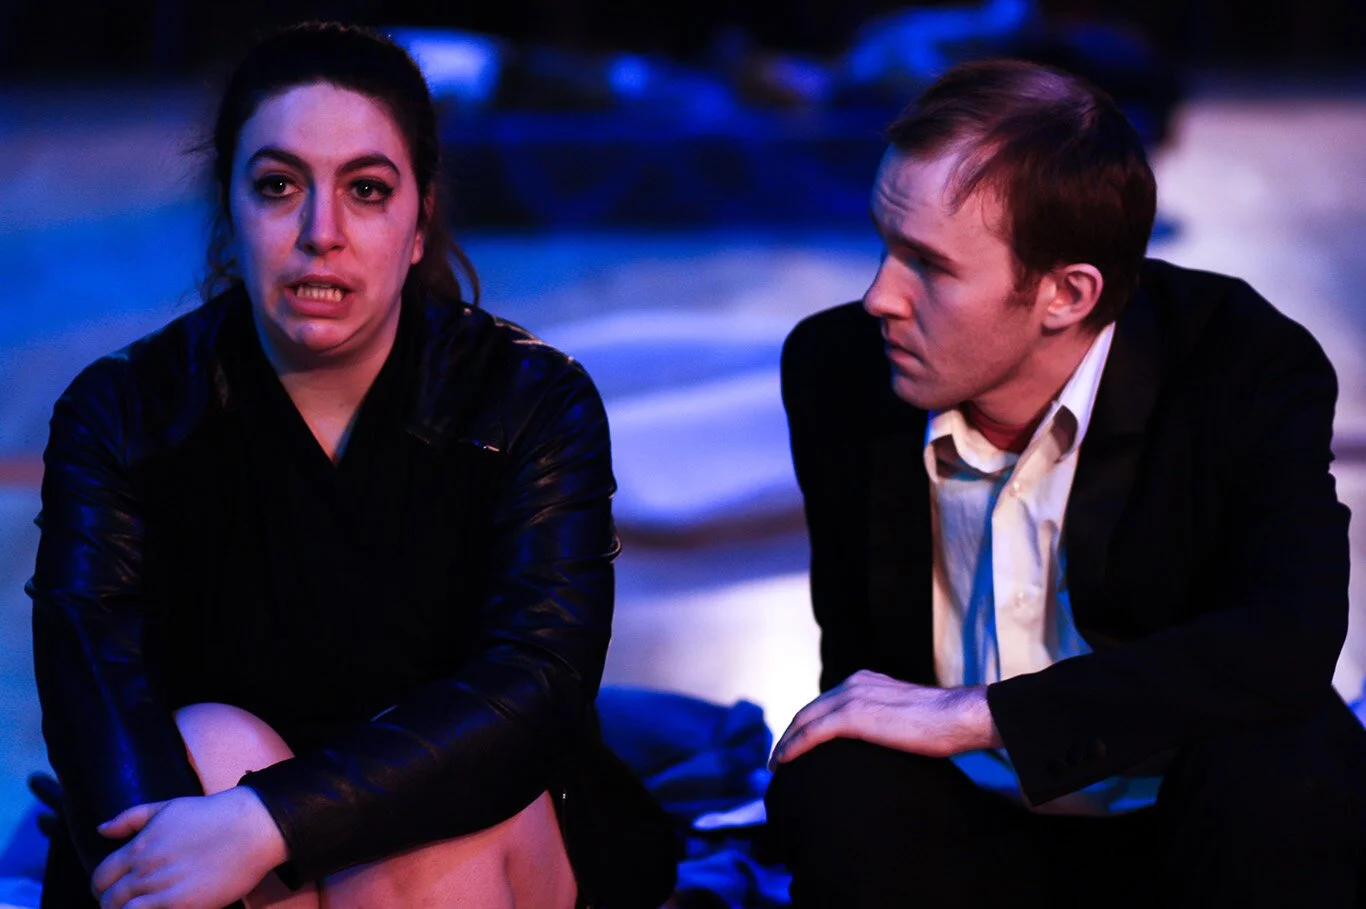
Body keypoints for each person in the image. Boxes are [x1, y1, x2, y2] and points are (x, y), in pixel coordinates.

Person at [28, 22, 676, 909]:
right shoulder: (120, 412)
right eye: (278, 186)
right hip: (210, 817)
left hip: (471, 822)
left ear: (419, 223)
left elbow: (535, 686)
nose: (320, 232)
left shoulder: (531, 401)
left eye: (366, 190)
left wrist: (272, 821)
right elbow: (94, 702)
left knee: (427, 835)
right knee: (211, 745)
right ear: (229, 212)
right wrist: (218, 841)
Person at [764, 58, 1366, 906]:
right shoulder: (835, 366)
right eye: (884, 243)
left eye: (928, 265)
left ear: (1067, 294)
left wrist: (985, 713)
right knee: (832, 780)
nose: (878, 297)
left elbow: (1289, 636)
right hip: (971, 824)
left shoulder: (1240, 360)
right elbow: (863, 667)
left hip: (1189, 809)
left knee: (1288, 767)